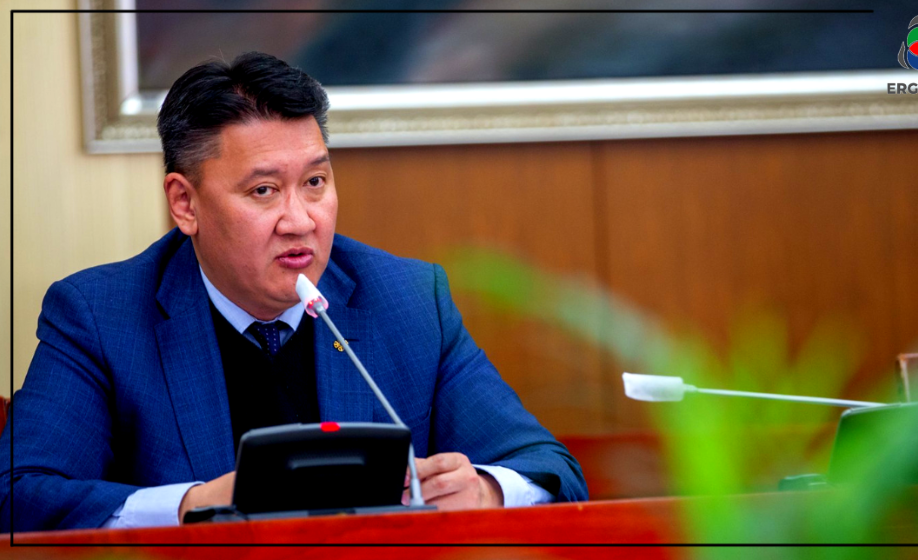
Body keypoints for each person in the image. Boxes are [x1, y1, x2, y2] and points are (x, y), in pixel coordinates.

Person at [0, 52, 587, 532]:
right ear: (185, 203)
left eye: (315, 182)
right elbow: (17, 496)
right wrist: (189, 506)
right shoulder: (100, 317)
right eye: (263, 191)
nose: (301, 220)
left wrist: (484, 490)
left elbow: (550, 469)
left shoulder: (407, 301)